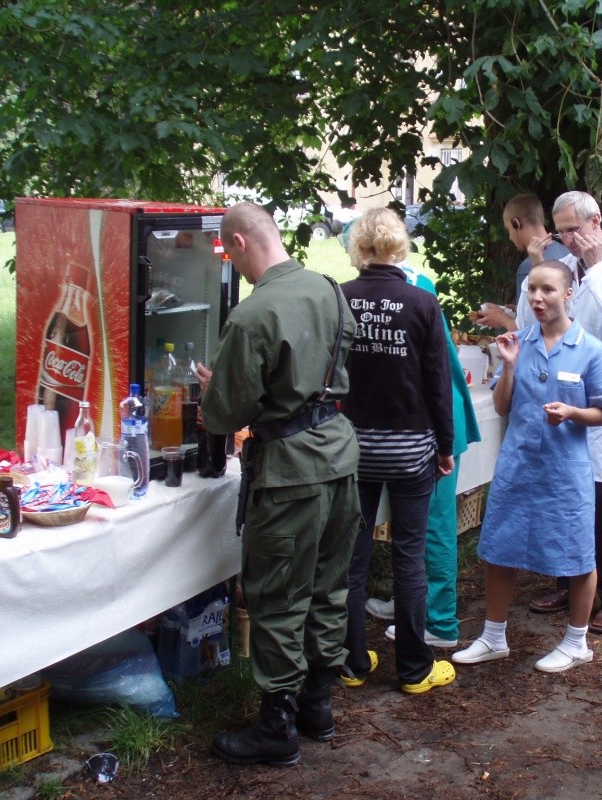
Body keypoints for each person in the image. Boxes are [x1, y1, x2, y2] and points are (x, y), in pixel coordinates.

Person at [196, 201, 361, 767]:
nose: (234, 267)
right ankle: (318, 707)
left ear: (240, 242)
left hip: (290, 472)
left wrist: (214, 392)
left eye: (229, 254)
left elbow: (224, 415)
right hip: (340, 458)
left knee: (277, 596)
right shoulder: (330, 289)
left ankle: (276, 728)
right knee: (328, 587)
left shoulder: (252, 315)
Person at [452, 260, 602, 672]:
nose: (538, 298)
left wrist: (572, 413)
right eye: (532, 290)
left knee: (578, 553)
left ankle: (577, 642)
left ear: (568, 294)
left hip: (565, 470)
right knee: (499, 549)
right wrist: (508, 365)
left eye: (548, 290)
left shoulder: (590, 349)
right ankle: (493, 637)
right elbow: (502, 406)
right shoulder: (516, 341)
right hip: (518, 463)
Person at [339, 207, 458, 694]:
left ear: (358, 247)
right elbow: (438, 384)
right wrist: (445, 447)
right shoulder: (422, 303)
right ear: (399, 246)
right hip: (410, 448)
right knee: (410, 556)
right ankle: (413, 669)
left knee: (353, 558)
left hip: (354, 448)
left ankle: (351, 662)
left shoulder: (340, 298)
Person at [527, 191, 602, 634]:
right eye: (560, 230)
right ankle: (568, 581)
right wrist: (538, 266)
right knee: (563, 490)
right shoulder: (564, 265)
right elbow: (535, 323)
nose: (567, 239)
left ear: (596, 221)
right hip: (564, 388)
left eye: (573, 229)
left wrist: (596, 269)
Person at [368, 263, 482, 649]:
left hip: (434, 422)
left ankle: (441, 621)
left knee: (435, 524)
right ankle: (410, 602)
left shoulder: (412, 289)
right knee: (412, 523)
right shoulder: (411, 281)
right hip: (424, 420)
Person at [473, 193, 570, 330]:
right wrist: (519, 309)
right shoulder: (567, 252)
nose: (510, 237)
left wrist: (502, 319)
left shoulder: (528, 267)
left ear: (516, 223)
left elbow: (529, 331)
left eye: (508, 229)